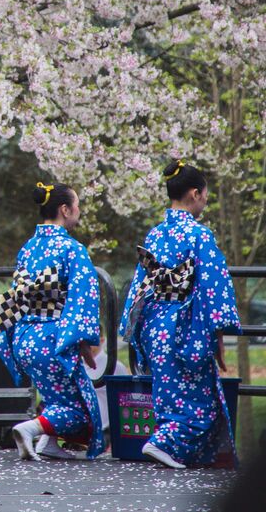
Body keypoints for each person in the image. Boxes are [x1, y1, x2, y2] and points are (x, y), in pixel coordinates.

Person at [119, 160, 240, 468]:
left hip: (154, 325)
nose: (206, 200)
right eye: (205, 195)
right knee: (201, 404)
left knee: (168, 393)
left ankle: (165, 439)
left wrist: (132, 330)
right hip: (186, 327)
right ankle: (165, 442)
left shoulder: (155, 235)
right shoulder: (199, 236)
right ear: (196, 194)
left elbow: (139, 285)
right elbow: (213, 287)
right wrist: (219, 335)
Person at [0, 182, 104, 461]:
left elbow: (21, 295)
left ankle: (48, 443)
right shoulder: (72, 249)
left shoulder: (28, 247)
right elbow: (82, 298)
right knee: (82, 413)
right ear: (65, 209)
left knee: (56, 396)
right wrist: (81, 340)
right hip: (52, 337)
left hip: (24, 336)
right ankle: (31, 428)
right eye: (78, 205)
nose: (79, 211)